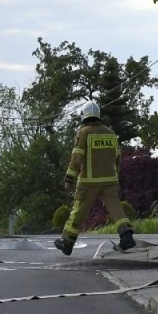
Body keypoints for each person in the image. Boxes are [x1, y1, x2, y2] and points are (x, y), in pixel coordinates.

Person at [55, 100, 135, 255]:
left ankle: (67, 242)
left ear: (84, 116)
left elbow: (77, 157)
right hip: (109, 180)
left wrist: (69, 178)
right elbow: (118, 158)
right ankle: (127, 236)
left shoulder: (84, 132)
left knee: (78, 211)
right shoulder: (111, 133)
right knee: (116, 208)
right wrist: (115, 176)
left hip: (88, 182)